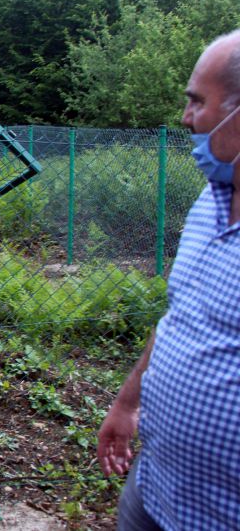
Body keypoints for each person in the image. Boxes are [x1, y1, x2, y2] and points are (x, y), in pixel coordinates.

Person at [97, 29, 240, 530]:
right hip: (156, 488)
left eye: (198, 102)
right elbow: (183, 317)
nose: (185, 117)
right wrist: (128, 401)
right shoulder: (209, 201)